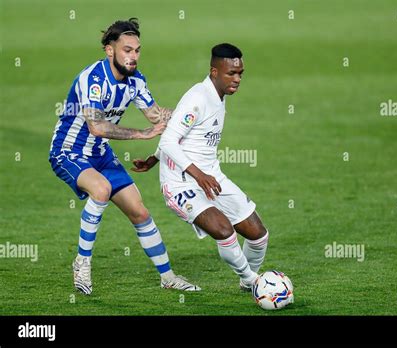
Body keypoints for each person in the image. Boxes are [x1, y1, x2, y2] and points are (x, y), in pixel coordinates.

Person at [48, 18, 200, 295]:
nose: (133, 56)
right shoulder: (93, 79)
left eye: (137, 50)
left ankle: (168, 277)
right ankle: (82, 262)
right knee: (102, 189)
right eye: (127, 50)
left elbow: (157, 115)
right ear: (110, 50)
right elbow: (97, 126)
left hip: (100, 153)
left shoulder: (136, 81)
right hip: (67, 151)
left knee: (139, 211)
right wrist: (142, 134)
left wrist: (192, 113)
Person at [132, 43, 269, 291]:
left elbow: (182, 135)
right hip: (180, 183)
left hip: (210, 177)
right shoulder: (197, 99)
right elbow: (168, 140)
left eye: (240, 73)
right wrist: (198, 175)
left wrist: (153, 158)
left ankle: (248, 285)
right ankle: (254, 282)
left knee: (258, 235)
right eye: (231, 73)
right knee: (224, 231)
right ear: (214, 72)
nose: (237, 79)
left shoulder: (219, 95)